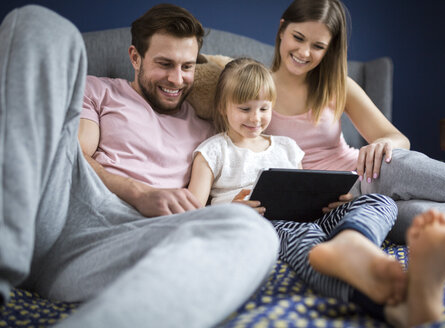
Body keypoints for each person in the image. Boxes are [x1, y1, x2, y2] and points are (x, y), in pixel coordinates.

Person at [0, 4, 280, 327]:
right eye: (165, 64)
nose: (177, 79)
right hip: (64, 211)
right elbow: (75, 158)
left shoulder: (208, 129)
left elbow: (265, 110)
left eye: (187, 67)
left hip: (120, 247)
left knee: (254, 233)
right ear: (135, 57)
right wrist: (139, 192)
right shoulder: (100, 91)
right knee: (39, 22)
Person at [187, 57, 445, 327]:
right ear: (223, 107)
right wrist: (230, 210)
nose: (256, 118)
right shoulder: (213, 150)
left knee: (378, 201)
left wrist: (331, 199)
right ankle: (396, 308)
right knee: (310, 242)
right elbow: (191, 212)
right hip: (266, 225)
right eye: (245, 109)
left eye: (264, 108)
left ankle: (356, 239)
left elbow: (302, 186)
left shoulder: (286, 146)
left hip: (314, 216)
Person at [264, 0, 445, 256]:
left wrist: (385, 144)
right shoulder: (253, 88)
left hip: (364, 173)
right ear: (282, 28)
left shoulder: (338, 85)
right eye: (298, 37)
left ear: (329, 50)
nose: (304, 52)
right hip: (348, 206)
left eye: (318, 46)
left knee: (395, 162)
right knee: (425, 220)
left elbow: (398, 138)